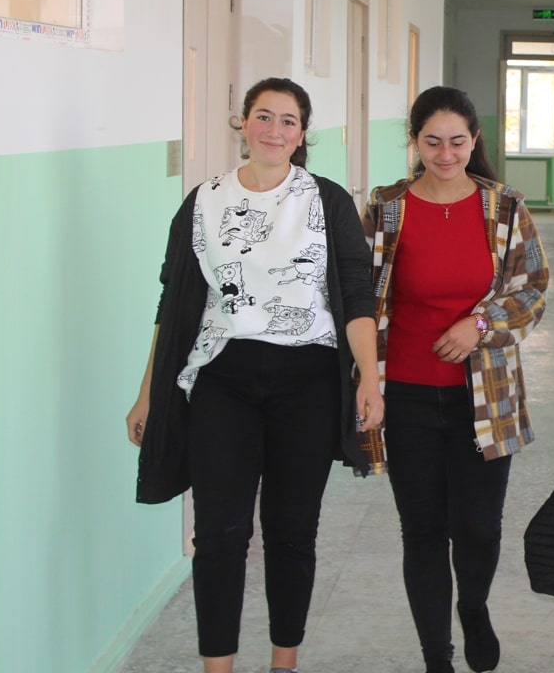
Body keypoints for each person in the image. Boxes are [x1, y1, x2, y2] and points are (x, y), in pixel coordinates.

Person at [126, 77, 384, 673]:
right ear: (242, 122)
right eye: (263, 116)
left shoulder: (326, 201)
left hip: (309, 379)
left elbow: (355, 294)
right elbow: (174, 304)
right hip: (223, 378)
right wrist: (148, 394)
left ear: (303, 133)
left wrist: (369, 377)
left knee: (292, 532)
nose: (274, 130)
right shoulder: (203, 201)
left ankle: (282, 663)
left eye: (288, 120)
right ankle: (218, 667)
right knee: (219, 533)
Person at [359, 85, 549, 673]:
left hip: (484, 394)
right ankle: (436, 657)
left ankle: (473, 606)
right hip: (407, 395)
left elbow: (533, 289)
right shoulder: (386, 210)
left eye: (457, 142)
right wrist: (363, 382)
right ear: (415, 142)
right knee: (421, 531)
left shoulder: (505, 208)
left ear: (475, 141)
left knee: (478, 529)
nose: (446, 155)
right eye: (433, 142)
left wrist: (480, 324)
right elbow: (359, 298)